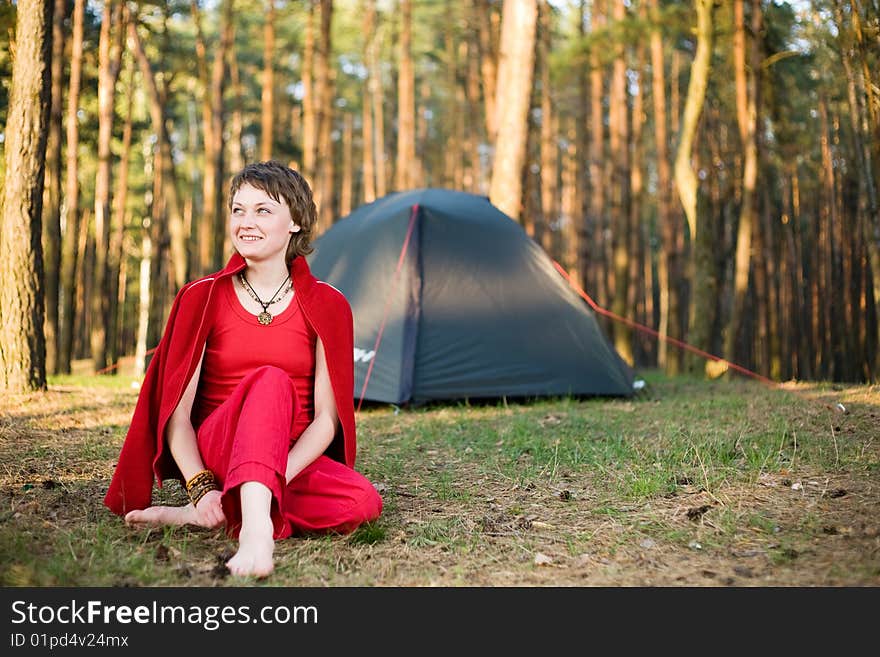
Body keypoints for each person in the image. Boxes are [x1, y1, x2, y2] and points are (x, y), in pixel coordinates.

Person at [104, 160, 383, 577]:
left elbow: (326, 420)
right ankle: (255, 538)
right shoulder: (203, 297)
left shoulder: (330, 304)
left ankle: (214, 513)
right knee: (270, 379)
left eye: (263, 210)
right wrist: (201, 488)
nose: (246, 222)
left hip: (289, 455)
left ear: (295, 223)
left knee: (362, 503)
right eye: (238, 210)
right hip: (222, 447)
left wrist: (272, 479)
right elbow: (177, 417)